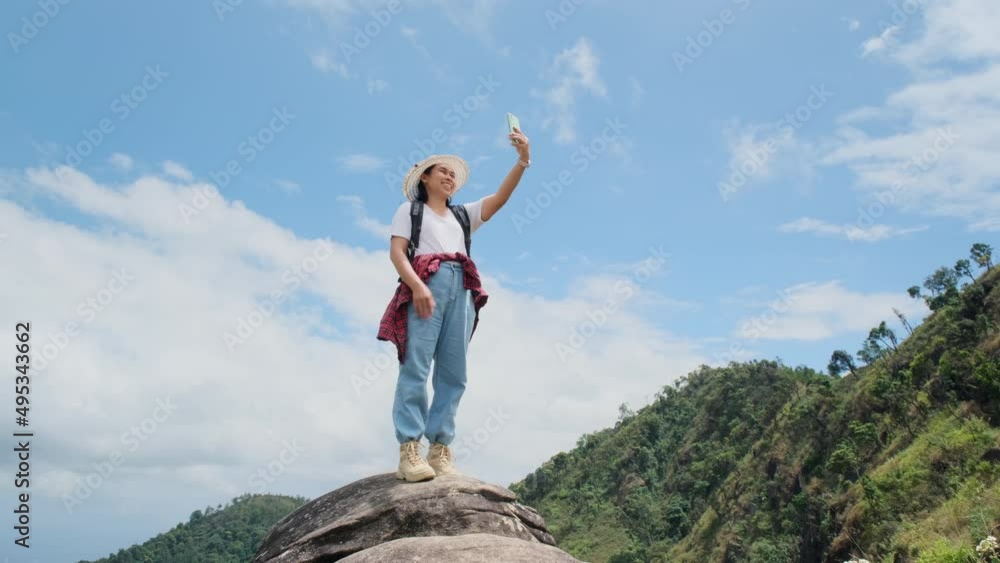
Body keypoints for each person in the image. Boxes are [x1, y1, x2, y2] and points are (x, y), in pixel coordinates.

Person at [377, 127, 531, 482]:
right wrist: (417, 286)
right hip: (425, 284)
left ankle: (440, 449)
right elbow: (397, 253)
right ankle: (409, 450)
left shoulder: (462, 216)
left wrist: (522, 161)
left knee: (454, 373)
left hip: (461, 288)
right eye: (442, 171)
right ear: (425, 178)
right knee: (415, 366)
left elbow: (499, 199)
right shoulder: (410, 212)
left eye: (453, 174)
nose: (449, 177)